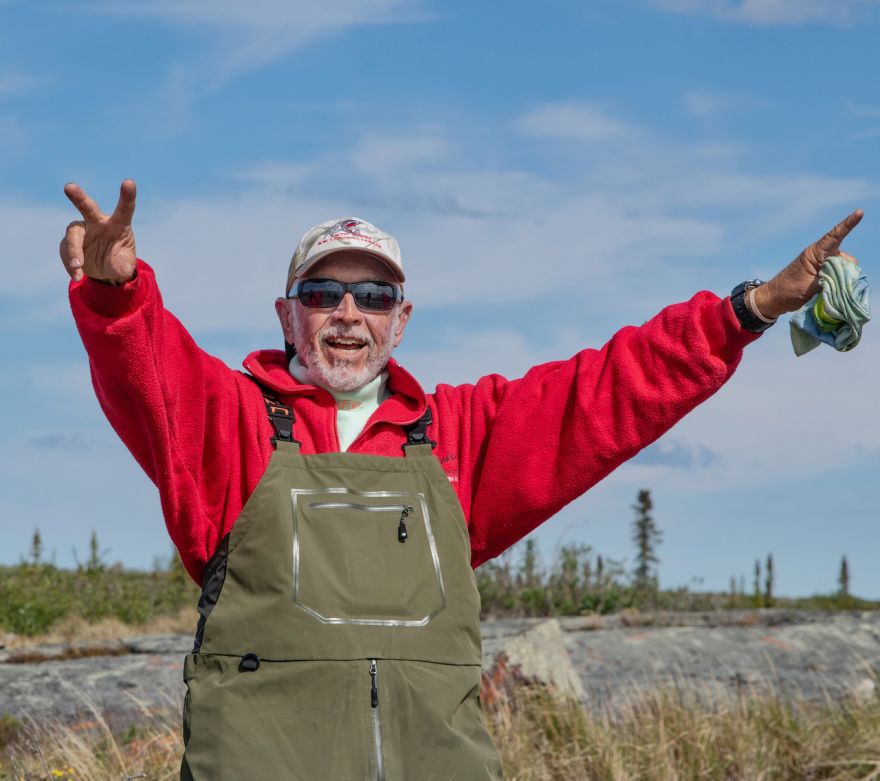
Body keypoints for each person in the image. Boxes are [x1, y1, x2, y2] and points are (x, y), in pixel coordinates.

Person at [60, 179, 863, 781]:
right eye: (323, 292)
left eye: (373, 295)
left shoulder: (457, 436)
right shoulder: (226, 424)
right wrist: (113, 292)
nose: (348, 312)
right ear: (286, 314)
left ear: (401, 320)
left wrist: (748, 309)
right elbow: (145, 368)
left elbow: (609, 391)